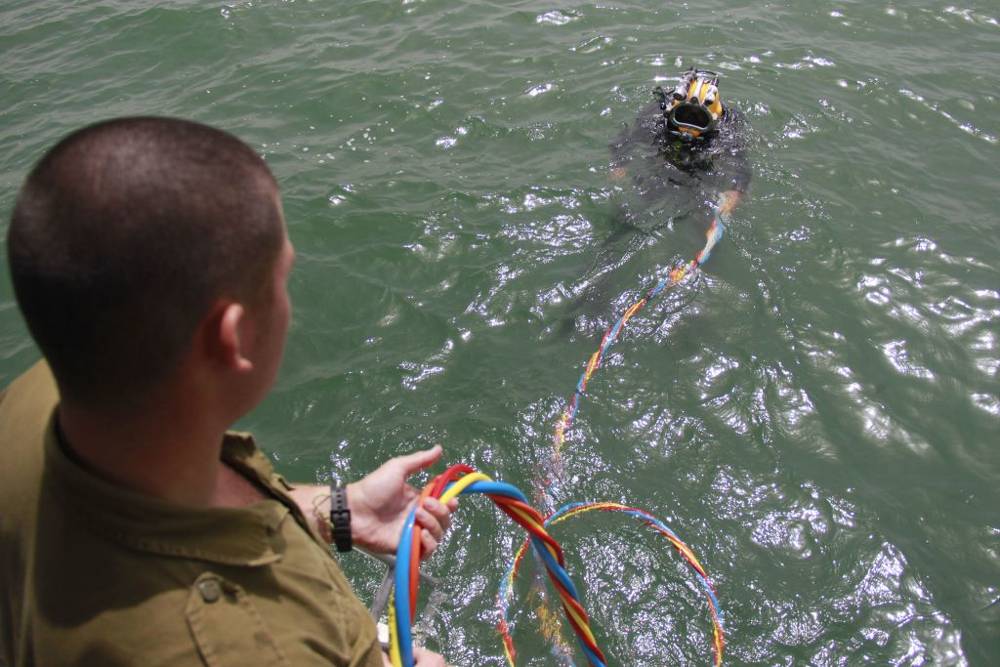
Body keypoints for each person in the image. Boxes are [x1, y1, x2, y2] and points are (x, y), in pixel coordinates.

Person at [0, 117, 456, 666]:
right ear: (232, 336)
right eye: (283, 279)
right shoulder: (249, 649)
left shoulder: (40, 400)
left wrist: (337, 509)